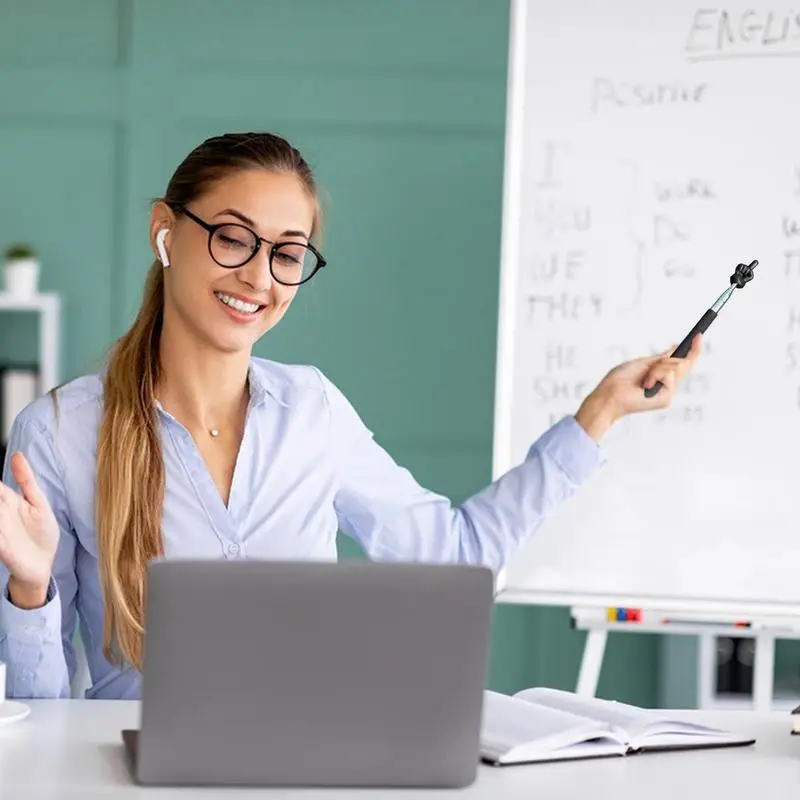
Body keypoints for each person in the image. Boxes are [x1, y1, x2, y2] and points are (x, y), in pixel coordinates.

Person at [0, 132, 701, 700]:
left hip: (309, 770)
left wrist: (599, 413)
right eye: (233, 238)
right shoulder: (60, 433)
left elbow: (453, 558)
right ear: (166, 232)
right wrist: (29, 590)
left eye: (287, 254)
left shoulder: (313, 412)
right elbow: (39, 715)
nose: (258, 277)